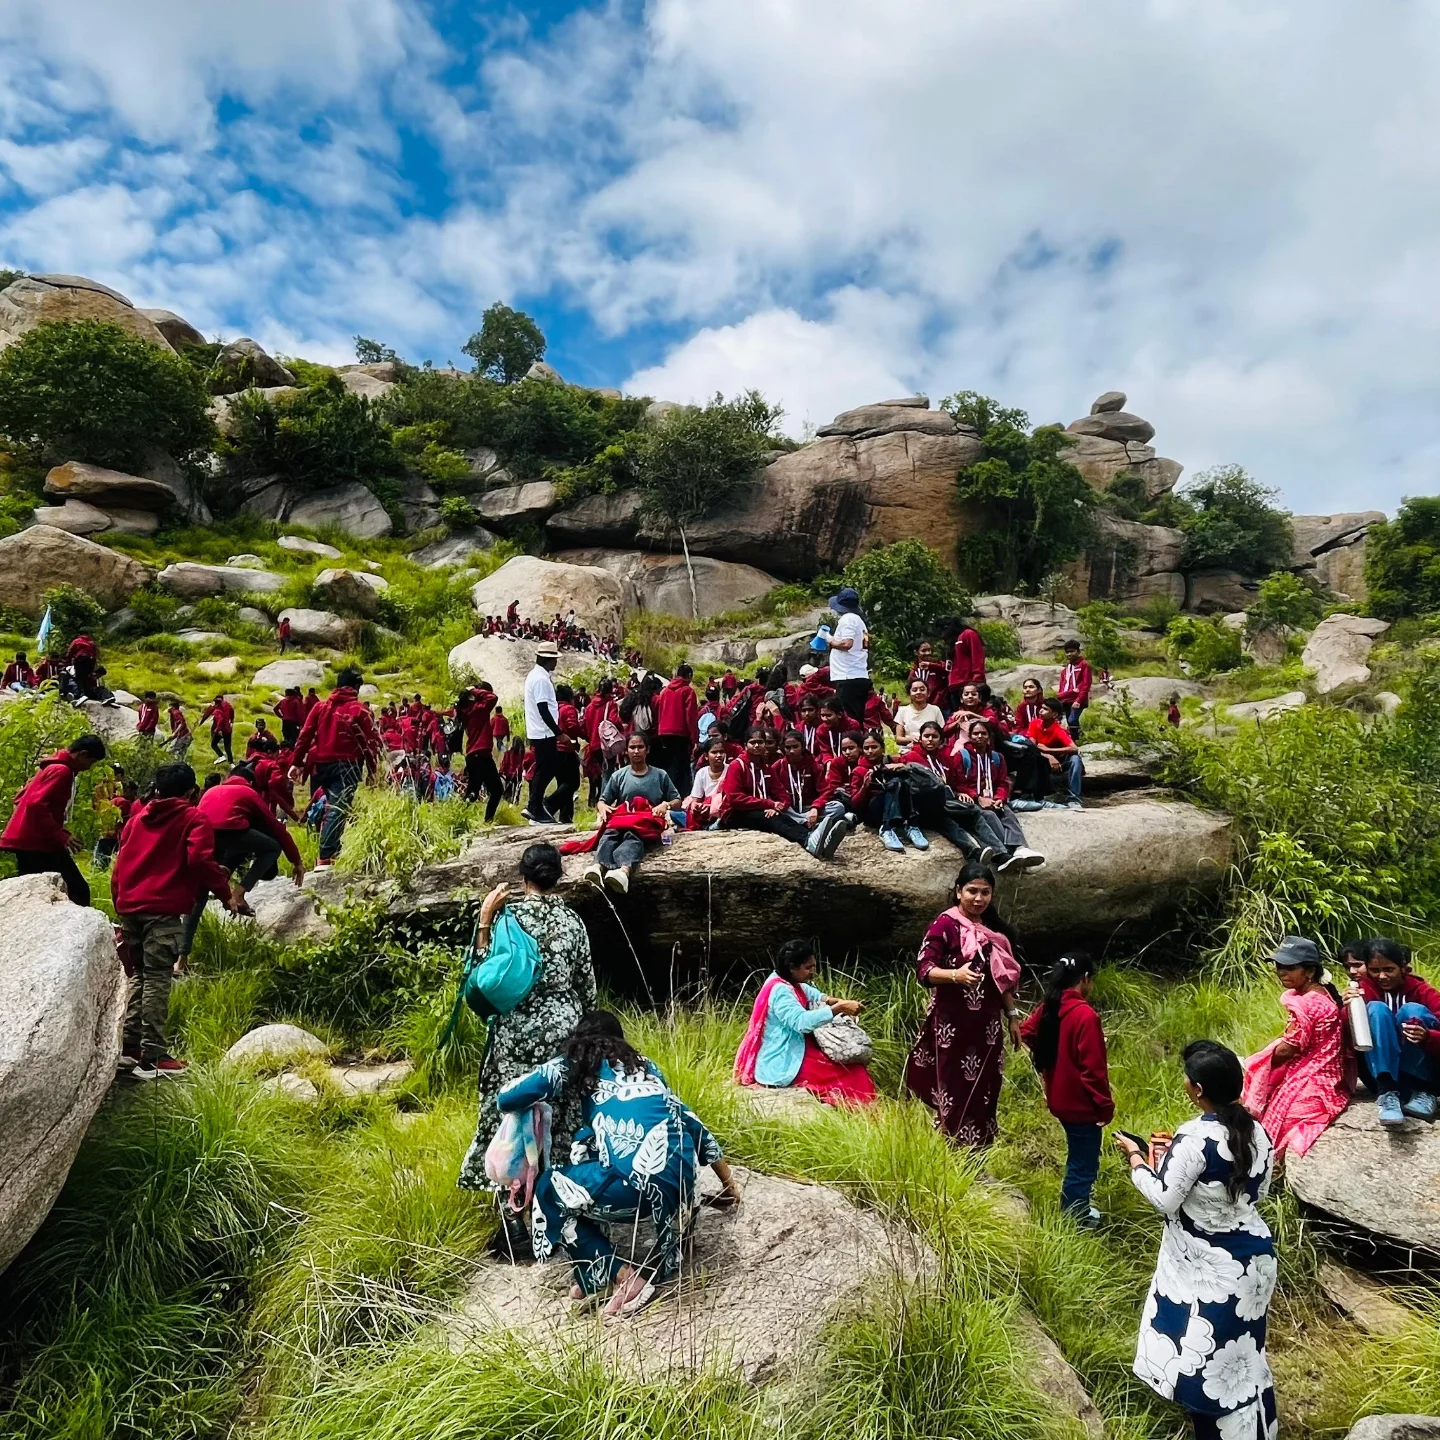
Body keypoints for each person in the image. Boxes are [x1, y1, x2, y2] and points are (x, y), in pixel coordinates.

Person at [498, 1010, 739, 1314]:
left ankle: (623, 1278)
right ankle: (591, 1276)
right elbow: (693, 1123)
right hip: (680, 1188)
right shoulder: (649, 1069)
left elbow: (505, 1098)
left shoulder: (577, 1061)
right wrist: (729, 1185)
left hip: (636, 1190)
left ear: (580, 1041)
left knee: (549, 1189)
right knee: (588, 1143)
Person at [1115, 1041, 1277, 1440]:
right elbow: (1258, 1192)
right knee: (1242, 1356)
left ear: (1198, 1089)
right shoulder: (1257, 1129)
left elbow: (1165, 1199)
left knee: (1206, 1361)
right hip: (1254, 1259)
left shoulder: (1193, 1137)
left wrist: (1137, 1160)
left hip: (1206, 1263)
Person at [457, 843, 599, 1257]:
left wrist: (484, 920)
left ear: (523, 875)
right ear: (559, 876)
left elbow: (481, 978)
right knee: (558, 1117)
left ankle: (513, 1219)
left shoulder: (507, 916)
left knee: (513, 1115)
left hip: (516, 1028)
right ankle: (558, 1212)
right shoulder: (572, 921)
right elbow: (586, 987)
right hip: (563, 1026)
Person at [112, 763, 238, 1078]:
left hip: (129, 906)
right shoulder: (193, 818)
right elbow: (199, 860)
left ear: (156, 790)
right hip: (162, 909)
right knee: (157, 978)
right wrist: (225, 893)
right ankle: (153, 1057)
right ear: (191, 792)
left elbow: (119, 864)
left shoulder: (136, 819)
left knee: (139, 975)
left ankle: (129, 1049)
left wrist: (120, 901)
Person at [904, 862, 1023, 1146]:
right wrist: (955, 975)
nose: (978, 899)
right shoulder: (944, 925)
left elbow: (1002, 979)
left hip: (986, 1029)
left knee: (986, 1088)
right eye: (972, 891)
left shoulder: (993, 931)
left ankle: (977, 1156)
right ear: (959, 891)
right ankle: (949, 1152)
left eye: (985, 892)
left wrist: (1013, 1016)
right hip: (951, 1027)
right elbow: (924, 970)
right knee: (952, 1087)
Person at [179, 761, 306, 960]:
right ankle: (238, 893)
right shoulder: (248, 792)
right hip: (233, 830)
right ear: (250, 782)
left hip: (205, 837)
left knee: (199, 896)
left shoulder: (211, 792)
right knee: (271, 847)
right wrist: (296, 861)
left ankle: (181, 960)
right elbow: (276, 828)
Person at [1020, 954, 1113, 1224]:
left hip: (1057, 1098)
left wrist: (1050, 1058)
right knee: (1083, 1164)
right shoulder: (1086, 1016)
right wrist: (1105, 1107)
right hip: (1081, 1105)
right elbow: (1094, 1072)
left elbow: (1026, 1032)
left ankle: (1074, 1208)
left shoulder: (1050, 1005)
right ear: (1084, 979)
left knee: (1077, 1156)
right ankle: (1075, 1217)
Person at [1241, 937, 1350, 1159]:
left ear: (1309, 971)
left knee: (1282, 1119)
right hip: (1322, 1071)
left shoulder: (1309, 1002)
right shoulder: (1320, 992)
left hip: (1316, 1075)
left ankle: (1270, 1166)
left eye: (1290, 968)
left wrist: (1259, 1063)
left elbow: (1288, 1049)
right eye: (1279, 966)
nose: (1281, 972)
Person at [734, 937, 877, 1106]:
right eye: (808, 967)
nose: (813, 972)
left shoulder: (788, 981)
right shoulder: (780, 991)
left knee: (850, 1066)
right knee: (851, 1072)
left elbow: (813, 994)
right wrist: (839, 1008)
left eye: (814, 966)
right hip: (784, 1058)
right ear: (792, 968)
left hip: (798, 1047)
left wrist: (834, 1000)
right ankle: (862, 1110)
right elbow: (800, 1022)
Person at [289, 666, 380, 867]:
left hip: (321, 766)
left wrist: (296, 763)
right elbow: (370, 745)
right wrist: (373, 771)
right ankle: (325, 857)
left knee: (332, 807)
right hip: (347, 766)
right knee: (337, 808)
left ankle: (332, 852)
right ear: (356, 687)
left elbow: (304, 735)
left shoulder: (320, 708)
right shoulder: (360, 710)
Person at [0, 733, 107, 905]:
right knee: (77, 890)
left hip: (30, 840)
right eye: (91, 762)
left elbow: (20, 797)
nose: (89, 767)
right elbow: (35, 805)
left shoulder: (50, 767)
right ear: (83, 754)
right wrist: (60, 835)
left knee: (34, 891)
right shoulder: (62, 771)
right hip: (37, 842)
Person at [1345, 937, 1440, 1124]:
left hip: (1422, 1076)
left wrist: (1428, 1036)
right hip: (1382, 1077)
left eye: (1389, 969)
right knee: (1376, 1009)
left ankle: (1422, 1092)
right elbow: (1346, 1035)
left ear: (1403, 967)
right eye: (1375, 970)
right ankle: (1387, 1094)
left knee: (1412, 1010)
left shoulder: (1422, 991)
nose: (1382, 976)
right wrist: (1347, 1006)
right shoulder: (1363, 990)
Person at [719, 726, 848, 858]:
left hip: (760, 809)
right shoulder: (737, 765)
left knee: (780, 815)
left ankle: (814, 838)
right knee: (772, 818)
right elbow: (734, 798)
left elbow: (782, 795)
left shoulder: (766, 768)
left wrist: (778, 806)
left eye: (760, 742)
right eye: (753, 742)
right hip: (735, 814)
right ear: (745, 745)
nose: (757, 745)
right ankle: (807, 839)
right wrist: (769, 804)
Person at [582, 733, 680, 893]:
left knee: (633, 837)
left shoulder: (660, 775)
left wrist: (665, 804)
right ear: (626, 751)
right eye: (632, 747)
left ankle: (624, 871)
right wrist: (603, 807)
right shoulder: (618, 776)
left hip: (647, 823)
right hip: (622, 819)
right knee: (609, 835)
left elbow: (677, 800)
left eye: (640, 747)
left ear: (647, 750)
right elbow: (602, 800)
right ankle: (597, 867)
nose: (636, 751)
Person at [954, 718, 1044, 869]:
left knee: (1006, 812)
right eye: (975, 733)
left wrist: (999, 798)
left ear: (989, 736)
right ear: (970, 736)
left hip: (993, 798)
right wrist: (978, 797)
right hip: (974, 799)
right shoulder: (962, 756)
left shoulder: (997, 757)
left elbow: (1002, 782)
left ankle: (1021, 848)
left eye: (983, 733)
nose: (979, 736)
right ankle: (1008, 851)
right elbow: (957, 783)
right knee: (989, 816)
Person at [778, 729, 853, 857]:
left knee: (838, 807)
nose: (791, 751)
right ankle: (817, 827)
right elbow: (773, 791)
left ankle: (816, 826)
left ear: (802, 746)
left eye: (795, 746)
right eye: (788, 747)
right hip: (790, 809)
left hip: (809, 808)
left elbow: (826, 791)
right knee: (777, 812)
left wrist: (815, 807)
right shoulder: (778, 766)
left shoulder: (813, 766)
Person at [522, 643, 562, 824]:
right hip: (544, 732)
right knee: (546, 769)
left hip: (540, 731)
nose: (556, 663)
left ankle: (535, 806)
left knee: (544, 768)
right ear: (548, 659)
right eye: (554, 659)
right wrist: (558, 732)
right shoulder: (540, 679)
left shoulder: (537, 676)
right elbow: (543, 708)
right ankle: (534, 807)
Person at [819, 587, 871, 724]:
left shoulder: (848, 619)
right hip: (858, 674)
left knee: (850, 720)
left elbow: (847, 644)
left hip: (848, 676)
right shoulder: (859, 621)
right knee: (856, 717)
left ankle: (854, 744)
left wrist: (829, 639)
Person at [1025, 697, 1084, 808]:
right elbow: (1031, 746)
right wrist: (1048, 756)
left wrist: (1049, 750)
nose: (1041, 711)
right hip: (1043, 761)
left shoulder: (1057, 729)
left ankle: (1074, 799)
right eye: (1041, 708)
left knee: (1075, 759)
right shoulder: (1035, 724)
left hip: (1060, 763)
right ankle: (1035, 795)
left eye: (1045, 709)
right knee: (1032, 757)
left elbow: (1074, 748)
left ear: (1054, 715)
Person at [456, 683, 504, 821]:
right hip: (481, 754)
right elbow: (492, 697)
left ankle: (459, 818)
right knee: (496, 790)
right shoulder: (479, 709)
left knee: (473, 791)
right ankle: (488, 820)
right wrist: (475, 690)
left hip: (472, 755)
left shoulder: (465, 710)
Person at [653, 662, 700, 795]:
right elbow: (690, 716)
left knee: (668, 764)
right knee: (680, 766)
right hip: (680, 733)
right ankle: (677, 794)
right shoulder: (687, 691)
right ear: (689, 676)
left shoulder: (665, 691)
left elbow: (659, 711)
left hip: (663, 732)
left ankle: (664, 792)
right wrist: (694, 738)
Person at [549, 683, 584, 825]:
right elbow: (572, 726)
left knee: (562, 783)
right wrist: (583, 734)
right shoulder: (568, 709)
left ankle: (566, 816)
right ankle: (549, 804)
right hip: (566, 748)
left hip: (553, 749)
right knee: (573, 783)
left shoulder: (553, 709)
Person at [684, 732, 730, 827]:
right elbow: (696, 799)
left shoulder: (731, 769)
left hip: (723, 810)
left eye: (721, 752)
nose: (718, 755)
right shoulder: (702, 773)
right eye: (714, 752)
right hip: (705, 811)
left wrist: (713, 806)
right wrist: (697, 807)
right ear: (706, 756)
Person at [941, 615, 986, 711]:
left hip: (968, 685)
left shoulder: (968, 634)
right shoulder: (952, 641)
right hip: (953, 687)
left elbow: (977, 657)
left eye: (943, 629)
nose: (942, 634)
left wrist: (977, 680)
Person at [1057, 640, 1093, 742]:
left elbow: (1086, 684)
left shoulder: (1083, 665)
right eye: (1067, 652)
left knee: (1072, 720)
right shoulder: (1066, 668)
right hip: (1065, 698)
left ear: (1078, 651)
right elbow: (1062, 684)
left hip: (1077, 699)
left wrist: (1079, 700)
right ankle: (1074, 739)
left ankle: (1076, 741)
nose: (1069, 654)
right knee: (1068, 721)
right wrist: (1060, 696)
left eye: (1072, 651)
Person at [894, 678, 945, 745]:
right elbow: (898, 738)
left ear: (928, 693)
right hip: (909, 749)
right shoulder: (903, 711)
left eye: (922, 689)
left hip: (931, 748)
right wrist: (910, 739)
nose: (918, 692)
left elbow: (942, 734)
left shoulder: (935, 710)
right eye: (915, 690)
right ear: (909, 694)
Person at [906, 641, 948, 710]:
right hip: (922, 708)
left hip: (940, 707)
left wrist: (930, 665)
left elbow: (947, 671)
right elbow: (910, 689)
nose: (928, 653)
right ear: (916, 652)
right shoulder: (914, 671)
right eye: (924, 651)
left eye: (929, 650)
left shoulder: (937, 664)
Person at [200, 693, 235, 763]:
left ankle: (221, 756)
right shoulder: (228, 705)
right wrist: (231, 721)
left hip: (219, 728)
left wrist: (202, 721)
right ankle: (231, 763)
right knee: (227, 746)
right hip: (228, 729)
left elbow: (208, 712)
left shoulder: (216, 709)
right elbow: (232, 712)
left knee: (213, 743)